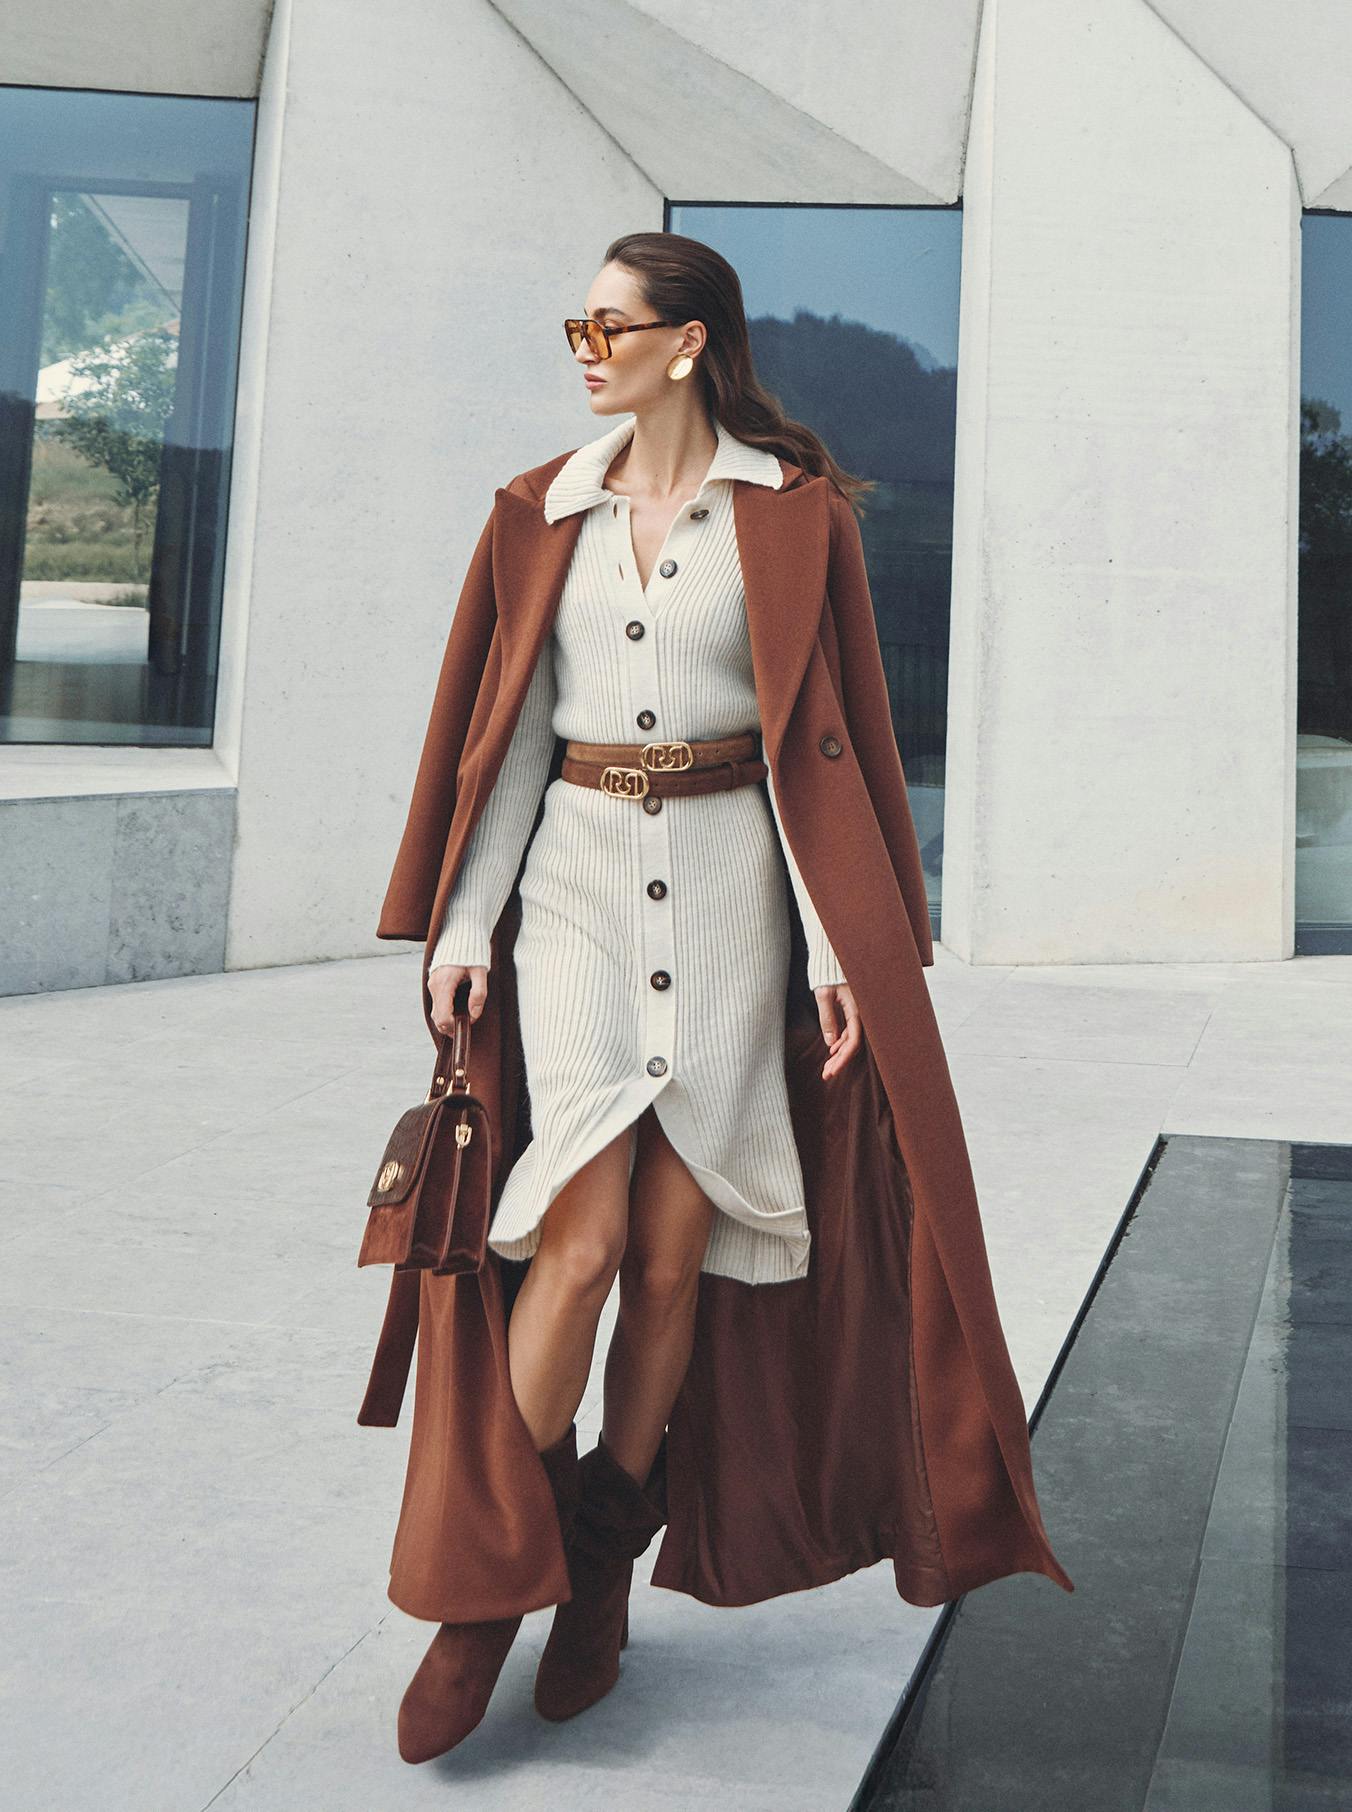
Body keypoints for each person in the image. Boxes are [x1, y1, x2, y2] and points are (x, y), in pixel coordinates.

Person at [396, 230, 878, 1762]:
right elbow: (508, 738)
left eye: (608, 325)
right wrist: (465, 924)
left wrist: (830, 946)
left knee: (675, 1260)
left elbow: (824, 749)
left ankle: (601, 1551)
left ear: (688, 342)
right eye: (578, 326)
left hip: (737, 889)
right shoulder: (539, 515)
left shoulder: (793, 519)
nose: (584, 348)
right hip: (582, 893)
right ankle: (488, 1593)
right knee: (583, 1238)